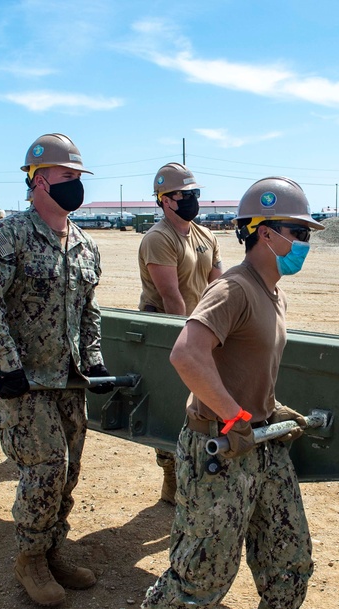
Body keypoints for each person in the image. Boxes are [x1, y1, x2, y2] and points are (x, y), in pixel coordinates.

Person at [116, 177, 325, 609]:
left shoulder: (272, 293)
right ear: (262, 232)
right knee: (205, 574)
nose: (304, 243)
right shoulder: (233, 289)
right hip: (221, 448)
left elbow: (246, 367)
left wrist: (273, 411)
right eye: (297, 231)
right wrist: (234, 416)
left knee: (289, 555)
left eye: (306, 232)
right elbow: (187, 354)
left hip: (262, 446)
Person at [0, 133, 115, 608]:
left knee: (69, 472)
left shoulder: (86, 245)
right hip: (24, 381)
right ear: (38, 179)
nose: (75, 185)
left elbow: (89, 311)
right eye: (67, 176)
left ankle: (53, 549)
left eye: (78, 177)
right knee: (45, 468)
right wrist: (6, 366)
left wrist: (93, 359)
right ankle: (29, 556)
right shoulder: (6, 237)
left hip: (68, 380)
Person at [138, 162, 222, 505]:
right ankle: (171, 477)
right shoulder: (159, 239)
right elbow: (172, 297)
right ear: (165, 200)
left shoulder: (206, 235)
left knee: (204, 406)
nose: (191, 200)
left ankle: (197, 474)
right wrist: (190, 344)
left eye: (195, 194)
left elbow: (219, 285)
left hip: (201, 332)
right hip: (170, 331)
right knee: (171, 405)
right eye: (184, 195)